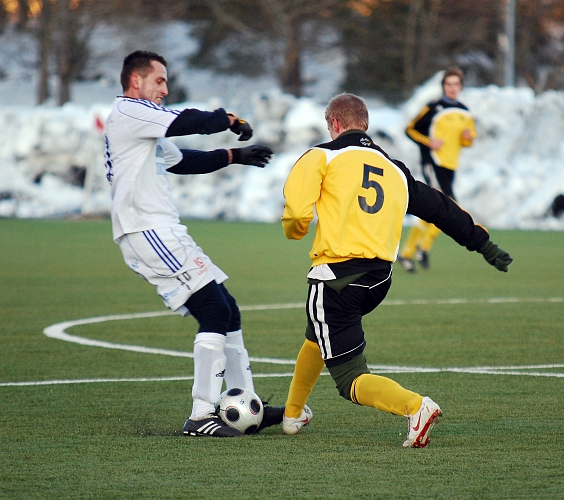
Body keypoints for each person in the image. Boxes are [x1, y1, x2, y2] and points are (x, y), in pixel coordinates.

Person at [280, 93, 512, 447]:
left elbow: (297, 215)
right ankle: (292, 414)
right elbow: (441, 209)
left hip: (338, 278)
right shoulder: (396, 170)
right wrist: (483, 244)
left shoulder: (321, 155)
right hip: (378, 280)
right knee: (318, 334)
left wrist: (295, 231)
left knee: (350, 379)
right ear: (366, 124)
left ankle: (415, 407)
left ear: (335, 124)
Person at [105, 50, 282, 437]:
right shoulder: (131, 112)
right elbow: (190, 122)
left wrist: (234, 155)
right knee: (214, 311)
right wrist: (228, 119)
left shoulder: (143, 123)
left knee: (228, 310)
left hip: (160, 229)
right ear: (136, 82)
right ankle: (201, 415)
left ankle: (244, 405)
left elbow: (183, 160)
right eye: (159, 81)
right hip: (146, 229)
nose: (165, 89)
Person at [398, 66, 476, 272]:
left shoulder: (465, 112)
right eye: (448, 84)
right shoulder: (433, 108)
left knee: (436, 210)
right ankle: (423, 248)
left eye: (456, 84)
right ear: (443, 86)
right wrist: (429, 142)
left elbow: (468, 139)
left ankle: (407, 253)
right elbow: (410, 129)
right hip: (432, 163)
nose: (452, 88)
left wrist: (467, 139)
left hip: (450, 166)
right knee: (450, 207)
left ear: (461, 87)